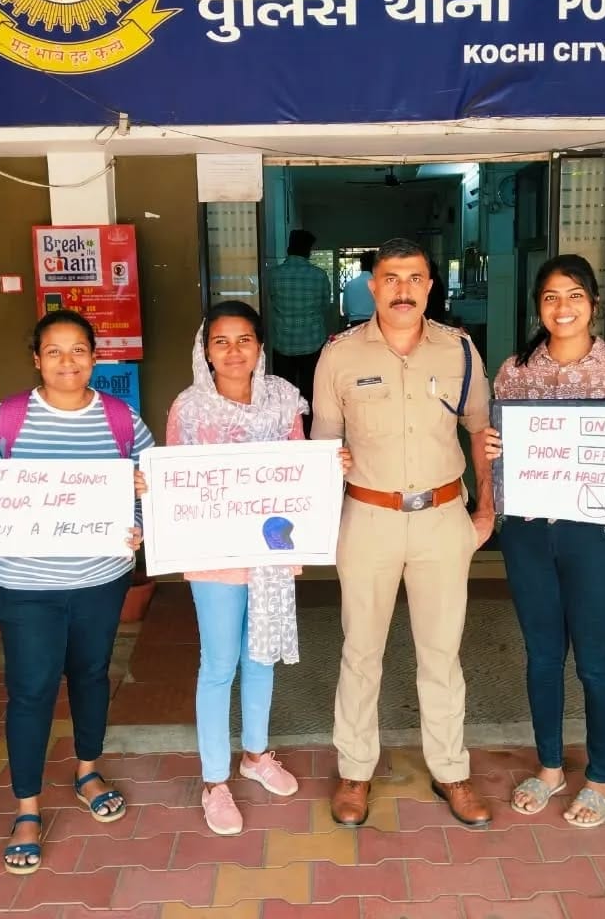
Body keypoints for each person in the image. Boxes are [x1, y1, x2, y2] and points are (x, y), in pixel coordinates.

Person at [0, 309, 153, 875]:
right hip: (26, 586)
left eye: (79, 350)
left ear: (95, 357)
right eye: (54, 351)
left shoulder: (122, 419)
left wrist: (141, 520)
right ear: (36, 358)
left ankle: (86, 769)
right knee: (29, 693)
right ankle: (26, 809)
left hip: (101, 580)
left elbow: (151, 490)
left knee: (91, 677)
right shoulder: (4, 421)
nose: (67, 362)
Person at [312, 237, 495, 828]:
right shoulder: (339, 356)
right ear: (372, 285)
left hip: (444, 518)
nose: (403, 290)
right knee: (360, 653)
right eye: (391, 279)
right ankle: (355, 770)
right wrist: (324, 477)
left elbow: (481, 434)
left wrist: (485, 510)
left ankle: (451, 771)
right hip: (366, 519)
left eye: (414, 278)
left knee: (442, 654)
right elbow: (322, 445)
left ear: (430, 286)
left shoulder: (461, 351)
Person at [484, 253, 605, 828]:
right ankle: (549, 767)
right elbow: (499, 444)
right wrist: (493, 450)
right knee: (541, 655)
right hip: (530, 534)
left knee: (595, 660)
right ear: (538, 306)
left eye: (574, 295)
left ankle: (602, 779)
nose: (562, 308)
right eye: (550, 297)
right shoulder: (514, 370)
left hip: (595, 534)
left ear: (593, 302)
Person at [158, 300, 350, 836]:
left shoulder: (283, 399)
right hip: (214, 560)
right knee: (219, 665)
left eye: (244, 339)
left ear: (260, 346)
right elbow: (175, 478)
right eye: (221, 341)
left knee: (261, 657)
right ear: (205, 351)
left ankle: (256, 754)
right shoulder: (189, 409)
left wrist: (330, 466)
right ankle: (215, 780)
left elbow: (301, 464)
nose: (233, 351)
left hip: (269, 554)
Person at [266, 229, 331, 425]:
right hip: (312, 341)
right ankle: (309, 429)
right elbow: (324, 306)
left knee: (283, 390)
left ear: (288, 249)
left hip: (282, 342)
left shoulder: (273, 275)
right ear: (308, 252)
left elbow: (270, 300)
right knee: (311, 389)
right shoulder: (319, 276)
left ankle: (287, 427)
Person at [342, 250, 376, 327]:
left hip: (355, 324)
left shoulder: (349, 285)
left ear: (361, 265)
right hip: (375, 324)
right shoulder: (380, 285)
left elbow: (345, 311)